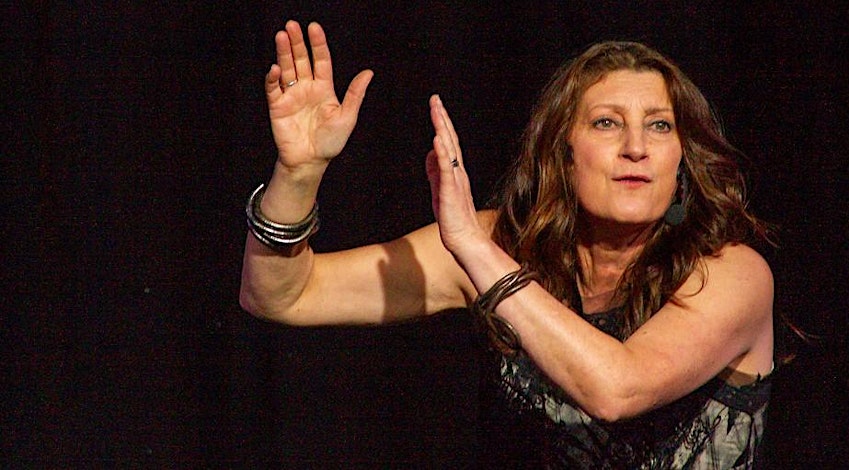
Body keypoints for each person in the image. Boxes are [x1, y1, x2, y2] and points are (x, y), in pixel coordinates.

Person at [241, 19, 776, 468]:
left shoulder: (731, 274)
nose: (636, 147)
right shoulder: (502, 242)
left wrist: (475, 251)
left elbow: (617, 390)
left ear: (681, 157)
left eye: (659, 126)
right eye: (608, 123)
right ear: (563, 151)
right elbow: (282, 295)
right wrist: (299, 173)